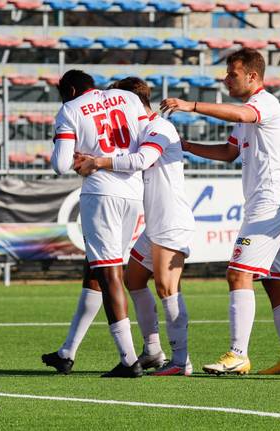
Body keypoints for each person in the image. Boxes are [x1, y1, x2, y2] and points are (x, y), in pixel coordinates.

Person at [160, 48, 280, 376]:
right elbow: (229, 153)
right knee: (274, 281)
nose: (226, 79)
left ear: (252, 76)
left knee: (238, 273)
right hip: (269, 202)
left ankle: (238, 353)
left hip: (269, 203)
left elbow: (242, 116)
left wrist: (191, 106)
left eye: (232, 74)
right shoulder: (249, 110)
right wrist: (186, 146)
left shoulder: (264, 104)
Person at [74, 77, 196, 376]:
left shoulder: (159, 128)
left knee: (167, 287)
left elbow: (143, 160)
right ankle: (153, 350)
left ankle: (181, 361)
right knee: (133, 279)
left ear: (132, 101)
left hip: (170, 219)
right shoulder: (137, 130)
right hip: (154, 222)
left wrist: (99, 162)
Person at [43, 69, 149, 378]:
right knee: (96, 272)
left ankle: (129, 360)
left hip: (101, 193)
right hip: (133, 192)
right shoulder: (128, 98)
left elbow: (61, 165)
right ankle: (67, 352)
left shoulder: (70, 110)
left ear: (72, 90)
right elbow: (146, 138)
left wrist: (73, 152)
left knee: (109, 274)